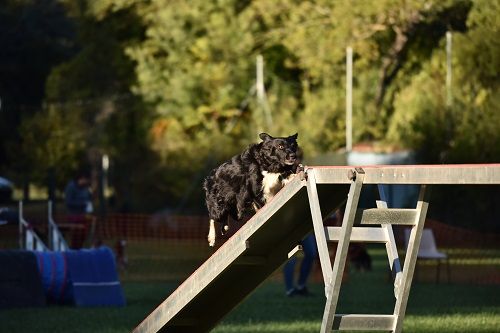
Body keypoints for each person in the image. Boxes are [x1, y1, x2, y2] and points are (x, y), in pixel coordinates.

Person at [64, 169, 93, 248]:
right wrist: (82, 204)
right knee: (75, 238)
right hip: (74, 217)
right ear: (81, 178)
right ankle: (74, 252)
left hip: (84, 216)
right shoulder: (71, 187)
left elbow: (88, 198)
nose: (86, 182)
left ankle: (80, 251)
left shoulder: (85, 188)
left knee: (83, 237)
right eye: (85, 180)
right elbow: (68, 202)